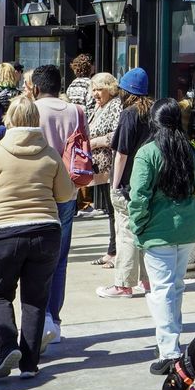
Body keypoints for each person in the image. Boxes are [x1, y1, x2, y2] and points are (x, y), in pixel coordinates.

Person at [0, 96, 75, 380]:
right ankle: (29, 362)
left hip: (3, 232)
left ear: (9, 120)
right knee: (35, 298)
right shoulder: (50, 153)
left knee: (0, 293)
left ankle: (7, 348)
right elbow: (66, 194)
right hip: (45, 231)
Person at [128, 98, 195, 374]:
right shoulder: (191, 150)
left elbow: (138, 196)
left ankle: (169, 351)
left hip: (158, 230)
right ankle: (172, 343)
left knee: (162, 290)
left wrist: (139, 226)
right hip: (187, 226)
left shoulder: (148, 153)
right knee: (176, 286)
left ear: (154, 122)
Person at [30, 64, 86, 346]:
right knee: (60, 259)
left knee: (35, 259)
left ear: (36, 87)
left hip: (37, 190)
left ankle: (39, 320)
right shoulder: (76, 111)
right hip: (68, 190)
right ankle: (55, 318)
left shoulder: (30, 110)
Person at [97, 68, 152, 299]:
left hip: (127, 183)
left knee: (126, 233)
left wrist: (114, 184)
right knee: (143, 232)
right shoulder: (152, 112)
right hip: (146, 182)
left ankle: (123, 285)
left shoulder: (128, 114)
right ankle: (147, 281)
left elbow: (121, 153)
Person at [87, 72, 123, 267]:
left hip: (110, 167)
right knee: (109, 210)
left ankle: (115, 252)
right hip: (99, 168)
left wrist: (94, 142)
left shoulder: (116, 105)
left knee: (113, 210)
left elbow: (118, 134)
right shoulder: (98, 106)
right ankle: (111, 250)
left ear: (110, 88)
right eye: (93, 89)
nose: (95, 93)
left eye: (99, 89)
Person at [65, 55, 96, 216]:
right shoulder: (90, 85)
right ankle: (86, 201)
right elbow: (90, 108)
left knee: (75, 159)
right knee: (84, 160)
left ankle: (77, 199)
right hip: (85, 125)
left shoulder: (71, 85)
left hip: (72, 125)